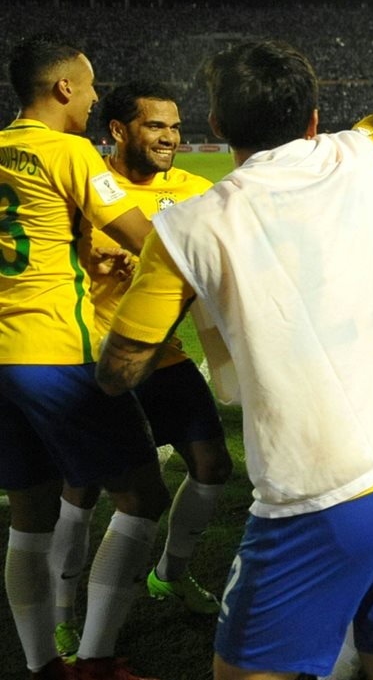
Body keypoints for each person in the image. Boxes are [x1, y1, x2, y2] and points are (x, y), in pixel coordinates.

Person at [95, 39, 373, 680]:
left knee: (244, 671)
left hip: (322, 487)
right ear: (315, 118)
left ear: (215, 126)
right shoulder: (359, 154)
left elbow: (119, 371)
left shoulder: (186, 229)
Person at [1, 35, 166, 680]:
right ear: (64, 87)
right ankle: (96, 660)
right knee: (143, 492)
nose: (96, 99)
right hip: (54, 351)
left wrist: (78, 254)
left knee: (30, 510)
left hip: (4, 358)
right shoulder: (67, 150)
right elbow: (145, 235)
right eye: (91, 86)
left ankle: (44, 666)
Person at [49, 82, 232, 659]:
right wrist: (89, 255)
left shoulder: (195, 189)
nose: (171, 139)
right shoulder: (86, 187)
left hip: (166, 356)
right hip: (98, 359)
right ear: (119, 131)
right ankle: (61, 613)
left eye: (175, 127)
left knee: (212, 465)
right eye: (156, 127)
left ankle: (170, 573)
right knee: (78, 491)